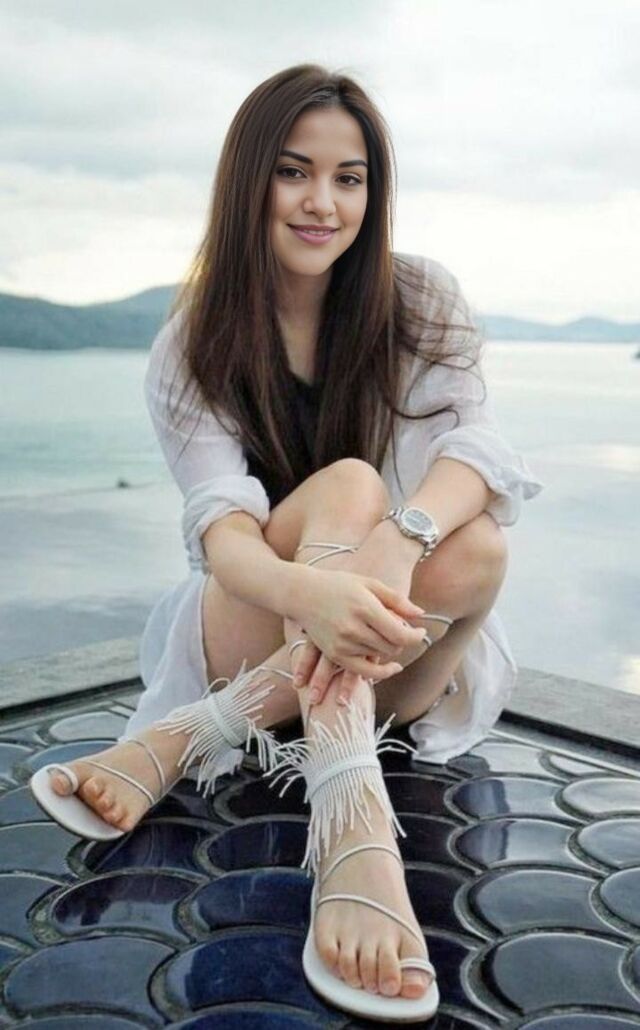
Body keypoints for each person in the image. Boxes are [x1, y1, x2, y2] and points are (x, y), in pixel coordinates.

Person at [31, 64, 544, 1021]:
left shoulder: (422, 297)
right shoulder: (195, 341)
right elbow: (222, 538)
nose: (323, 203)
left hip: (381, 648)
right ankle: (353, 826)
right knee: (348, 483)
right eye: (294, 171)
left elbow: (480, 454)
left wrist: (397, 545)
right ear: (249, 180)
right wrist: (315, 593)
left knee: (480, 550)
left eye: (350, 178)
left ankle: (194, 733)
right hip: (254, 620)